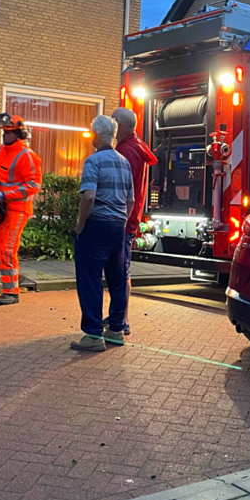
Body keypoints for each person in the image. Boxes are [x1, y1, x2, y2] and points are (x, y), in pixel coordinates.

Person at [71, 115, 133, 352]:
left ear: (96, 135)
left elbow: (88, 196)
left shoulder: (93, 161)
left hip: (96, 224)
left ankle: (93, 334)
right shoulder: (124, 162)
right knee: (117, 279)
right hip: (118, 226)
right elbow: (130, 200)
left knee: (90, 279)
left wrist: (80, 224)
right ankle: (116, 329)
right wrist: (122, 220)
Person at [0, 115, 42, 306]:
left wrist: (5, 194)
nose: (4, 136)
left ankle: (11, 291)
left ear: (18, 134)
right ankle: (15, 276)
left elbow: (33, 185)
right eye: (3, 132)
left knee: (7, 249)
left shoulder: (28, 156)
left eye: (8, 133)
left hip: (18, 209)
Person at [109, 106, 157, 336]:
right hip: (130, 218)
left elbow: (122, 190)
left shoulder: (126, 152)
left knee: (120, 272)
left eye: (113, 122)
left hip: (123, 220)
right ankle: (119, 316)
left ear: (121, 125)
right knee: (121, 271)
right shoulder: (137, 147)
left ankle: (122, 319)